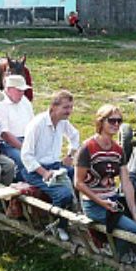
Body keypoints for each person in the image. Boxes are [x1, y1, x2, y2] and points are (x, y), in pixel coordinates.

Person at [75, 104, 136, 263]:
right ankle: (116, 255)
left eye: (119, 121)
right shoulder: (87, 148)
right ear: (101, 122)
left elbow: (126, 183)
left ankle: (124, 248)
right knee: (133, 228)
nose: (116, 125)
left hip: (112, 201)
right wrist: (101, 202)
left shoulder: (118, 150)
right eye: (112, 120)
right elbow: (78, 183)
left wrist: (134, 212)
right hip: (94, 204)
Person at [21, 90, 80, 240]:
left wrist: (70, 156)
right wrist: (44, 173)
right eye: (66, 108)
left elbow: (75, 136)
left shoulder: (62, 121)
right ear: (53, 107)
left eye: (71, 107)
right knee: (63, 194)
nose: (69, 111)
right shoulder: (37, 124)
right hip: (35, 170)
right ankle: (58, 226)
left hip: (54, 166)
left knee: (79, 179)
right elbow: (26, 156)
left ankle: (76, 214)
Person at [0, 74, 34, 181]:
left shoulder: (24, 101)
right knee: (22, 160)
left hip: (26, 139)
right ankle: (23, 188)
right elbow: (4, 134)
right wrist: (23, 148)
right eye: (19, 90)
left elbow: (33, 124)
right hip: (7, 144)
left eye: (23, 90)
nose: (22, 93)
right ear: (9, 89)